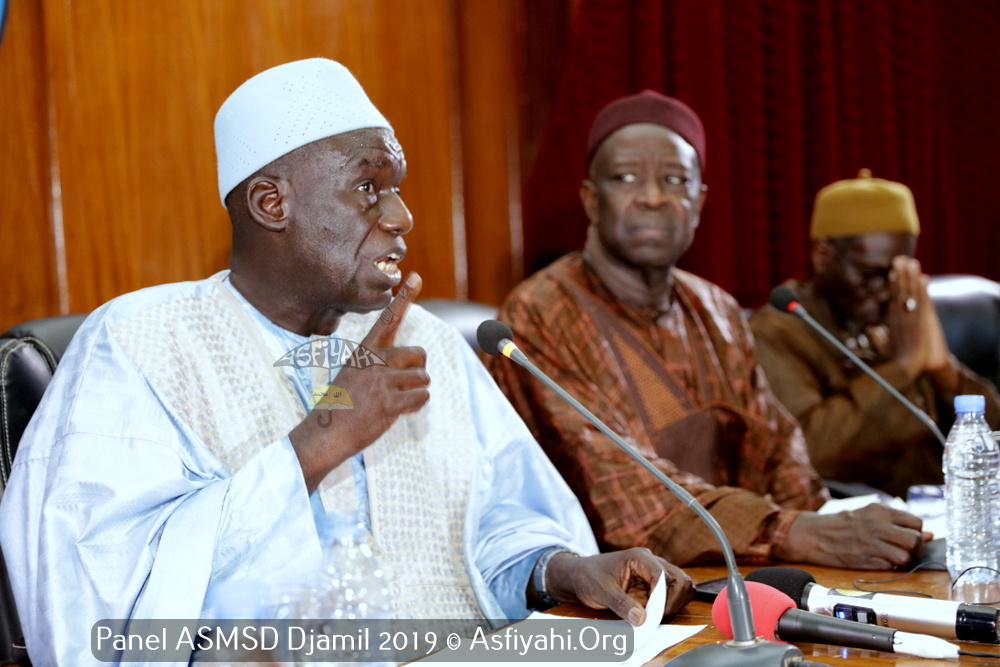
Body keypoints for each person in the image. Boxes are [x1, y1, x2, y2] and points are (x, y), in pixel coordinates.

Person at [0, 60, 692, 666]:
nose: (402, 216)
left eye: (398, 188)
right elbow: (100, 605)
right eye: (368, 188)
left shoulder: (425, 340)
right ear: (272, 203)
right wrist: (320, 438)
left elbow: (500, 525)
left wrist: (561, 569)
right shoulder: (139, 343)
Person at [488, 90, 928, 570]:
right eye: (626, 178)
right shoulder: (541, 311)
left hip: (740, 569)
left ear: (698, 202)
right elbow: (631, 498)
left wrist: (828, 531)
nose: (653, 197)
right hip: (620, 587)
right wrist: (793, 533)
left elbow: (777, 447)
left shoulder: (715, 307)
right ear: (591, 200)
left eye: (674, 180)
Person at [750, 170, 1000, 497]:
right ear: (823, 255)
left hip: (943, 504)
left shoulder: (894, 317)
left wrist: (943, 371)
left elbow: (989, 442)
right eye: (870, 275)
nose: (883, 291)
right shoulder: (778, 331)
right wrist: (903, 366)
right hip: (857, 514)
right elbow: (809, 451)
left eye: (894, 276)